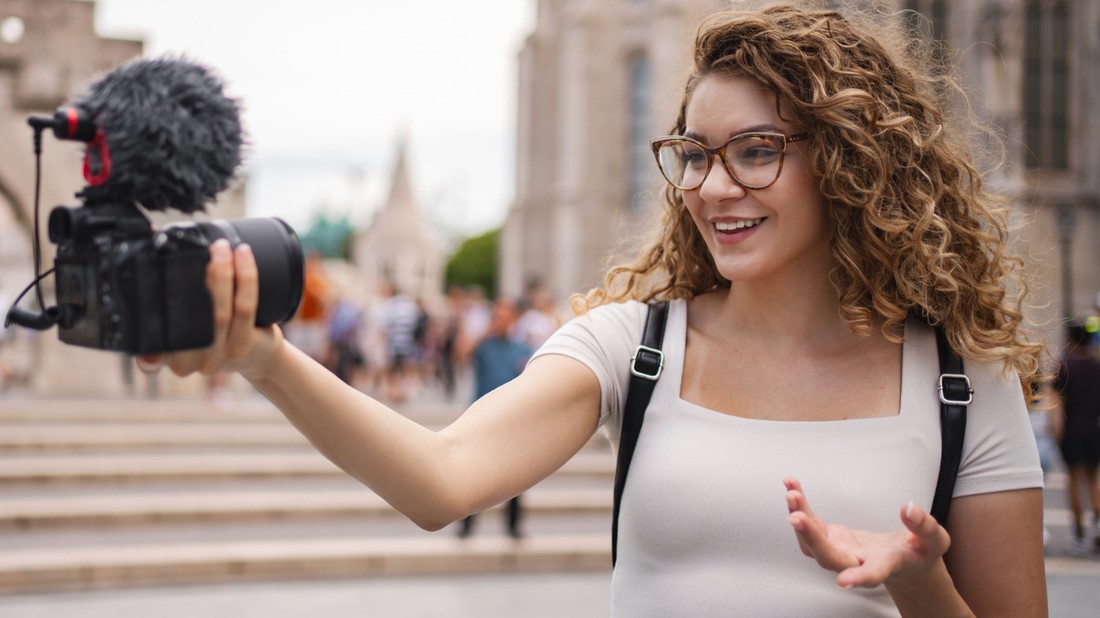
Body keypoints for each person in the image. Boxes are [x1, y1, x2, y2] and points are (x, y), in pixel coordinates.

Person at [141, 4, 1047, 615]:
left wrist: (925, 583)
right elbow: (442, 479)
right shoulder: (634, 343)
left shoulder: (964, 383)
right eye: (694, 153)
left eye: (757, 151)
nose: (712, 187)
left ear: (849, 162)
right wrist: (263, 358)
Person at [457, 298, 534, 540]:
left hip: (511, 422)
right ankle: (466, 526)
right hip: (480, 420)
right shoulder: (484, 345)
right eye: (496, 316)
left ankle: (513, 526)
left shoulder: (523, 349)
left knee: (514, 478)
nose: (500, 321)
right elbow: (461, 354)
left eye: (504, 316)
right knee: (472, 476)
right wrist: (484, 332)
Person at [1051, 321, 1100, 553]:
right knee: (1093, 480)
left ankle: (1079, 532)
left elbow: (1057, 403)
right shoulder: (1096, 365)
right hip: (1094, 429)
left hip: (1073, 430)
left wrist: (1056, 433)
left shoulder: (1065, 366)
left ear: (1071, 339)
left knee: (1074, 480)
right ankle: (1098, 528)